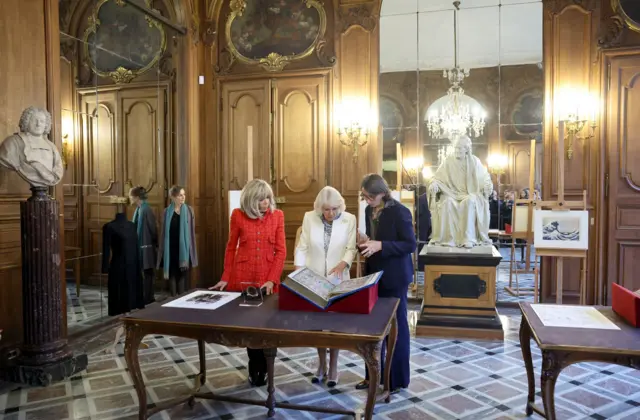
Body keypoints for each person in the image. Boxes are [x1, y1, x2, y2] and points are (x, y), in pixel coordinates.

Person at [211, 179, 286, 387]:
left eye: (268, 198)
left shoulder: (278, 216)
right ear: (252, 200)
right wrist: (225, 277)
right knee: (250, 327)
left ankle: (268, 365)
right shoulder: (237, 215)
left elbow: (281, 251)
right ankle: (255, 367)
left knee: (269, 327)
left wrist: (272, 279)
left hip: (268, 281)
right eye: (262, 199)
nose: (267, 202)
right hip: (243, 280)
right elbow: (230, 248)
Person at [356, 174, 415, 393]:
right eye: (364, 196)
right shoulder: (368, 210)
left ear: (383, 192)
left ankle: (395, 380)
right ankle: (372, 376)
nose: (367, 200)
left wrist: (381, 245)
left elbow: (410, 245)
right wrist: (365, 243)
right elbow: (374, 238)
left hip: (395, 277)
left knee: (396, 329)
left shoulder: (400, 212)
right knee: (372, 328)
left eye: (370, 196)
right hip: (374, 275)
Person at [294, 186, 357, 388]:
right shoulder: (309, 217)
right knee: (317, 324)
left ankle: (334, 368)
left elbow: (351, 248)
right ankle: (321, 365)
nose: (330, 214)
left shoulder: (350, 219)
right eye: (326, 210)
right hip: (313, 278)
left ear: (340, 206)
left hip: (338, 278)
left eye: (334, 209)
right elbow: (302, 246)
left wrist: (344, 263)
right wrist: (298, 270)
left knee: (334, 325)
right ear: (319, 208)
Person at [428, 135, 493, 248]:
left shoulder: (474, 161)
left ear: (466, 149)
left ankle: (468, 239)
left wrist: (488, 185)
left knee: (470, 202)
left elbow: (485, 178)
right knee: (447, 203)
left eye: (460, 148)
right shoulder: (448, 161)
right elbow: (436, 178)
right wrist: (433, 184)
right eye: (456, 148)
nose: (457, 150)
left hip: (469, 194)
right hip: (451, 194)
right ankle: (448, 239)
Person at [0, 106, 63, 187]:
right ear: (26, 121)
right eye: (34, 120)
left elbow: (57, 168)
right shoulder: (12, 142)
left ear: (46, 124)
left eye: (42, 121)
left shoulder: (52, 147)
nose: (38, 124)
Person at [157, 185, 198, 296]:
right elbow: (163, 232)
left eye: (184, 194)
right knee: (172, 274)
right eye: (180, 195)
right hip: (170, 248)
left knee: (182, 275)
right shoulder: (166, 212)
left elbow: (191, 232)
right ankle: (173, 298)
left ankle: (181, 298)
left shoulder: (189, 210)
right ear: (173, 197)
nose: (183, 197)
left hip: (183, 248)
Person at [129, 186, 158, 304]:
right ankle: (144, 296)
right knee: (144, 272)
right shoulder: (139, 209)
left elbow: (153, 229)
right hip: (141, 246)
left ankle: (149, 297)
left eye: (130, 196)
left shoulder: (146, 209)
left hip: (147, 246)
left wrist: (155, 243)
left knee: (148, 272)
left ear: (136, 197)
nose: (129, 198)